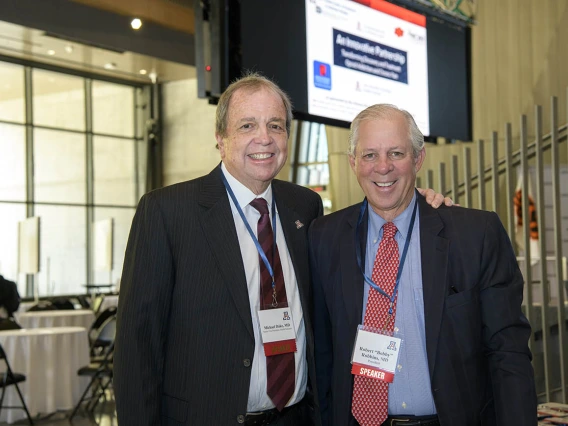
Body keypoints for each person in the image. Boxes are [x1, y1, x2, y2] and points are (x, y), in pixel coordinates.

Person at [114, 74, 449, 426]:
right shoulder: (168, 213)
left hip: (296, 418)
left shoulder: (304, 207)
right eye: (247, 125)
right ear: (220, 139)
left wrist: (422, 205)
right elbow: (137, 349)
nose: (264, 138)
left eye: (276, 125)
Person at [309, 104, 537, 426]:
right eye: (370, 155)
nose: (383, 167)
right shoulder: (324, 237)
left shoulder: (474, 235)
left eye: (396, 153)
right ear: (353, 162)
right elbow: (322, 354)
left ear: (418, 159)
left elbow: (508, 353)